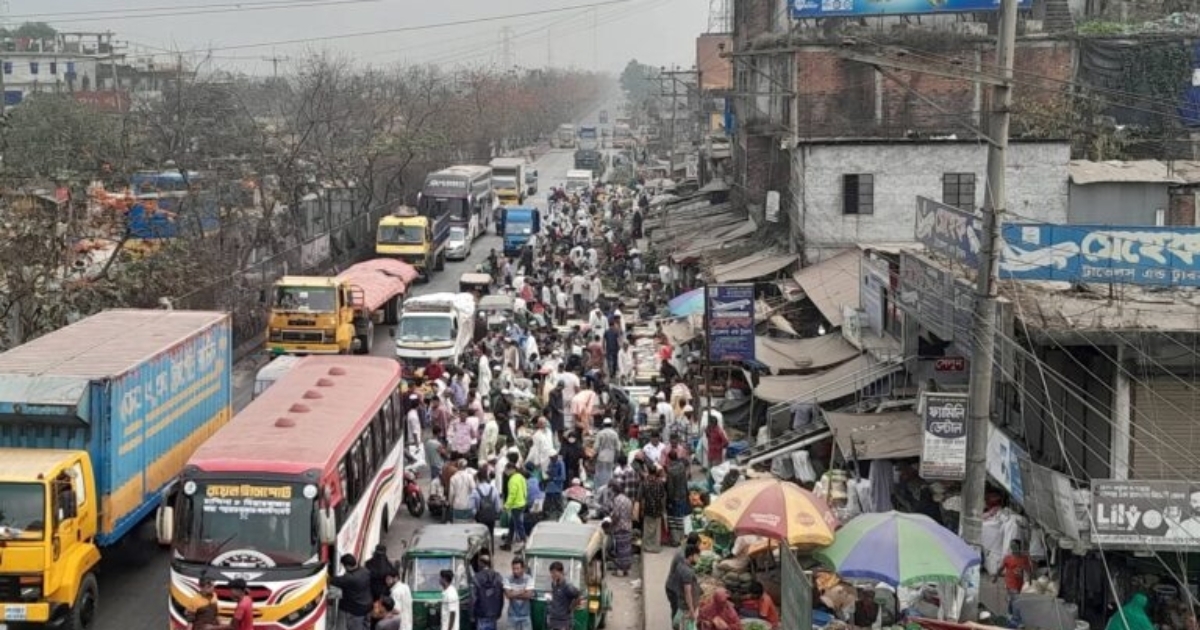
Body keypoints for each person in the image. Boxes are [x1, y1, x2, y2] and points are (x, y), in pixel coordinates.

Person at [331, 554, 374, 630]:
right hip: (368, 605)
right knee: (366, 626)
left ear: (347, 566)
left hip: (356, 610)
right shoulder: (365, 571)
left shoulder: (349, 578)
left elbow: (333, 580)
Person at [666, 545, 701, 627]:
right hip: (686, 607)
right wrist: (691, 610)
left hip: (681, 603)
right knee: (687, 626)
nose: (698, 559)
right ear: (691, 556)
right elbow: (687, 593)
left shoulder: (680, 565)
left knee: (678, 623)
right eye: (697, 556)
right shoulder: (687, 572)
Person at [995, 539, 1033, 612]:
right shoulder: (1008, 558)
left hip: (1019, 582)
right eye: (1012, 545)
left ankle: (1011, 611)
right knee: (1015, 596)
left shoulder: (1024, 558)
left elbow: (1028, 569)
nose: (1013, 547)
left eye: (1015, 545)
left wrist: (1030, 580)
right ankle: (1013, 613)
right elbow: (1001, 568)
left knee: (1015, 598)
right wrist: (996, 577)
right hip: (1010, 582)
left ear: (1019, 547)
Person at [471, 470, 503, 551]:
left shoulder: (475, 491)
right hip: (491, 516)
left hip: (480, 517)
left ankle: (482, 551)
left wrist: (474, 515)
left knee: (480, 535)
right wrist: (496, 513)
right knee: (490, 533)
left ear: (477, 479)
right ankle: (491, 551)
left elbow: (473, 507)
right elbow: (498, 506)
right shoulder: (493, 489)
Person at [472, 555, 505, 630]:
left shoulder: (476, 577)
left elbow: (473, 598)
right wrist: (499, 611)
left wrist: (471, 614)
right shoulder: (498, 576)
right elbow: (501, 596)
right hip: (493, 614)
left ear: (481, 563)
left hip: (481, 614)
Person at [547, 561, 583, 630]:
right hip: (553, 620)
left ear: (561, 572)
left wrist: (572, 607)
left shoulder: (568, 587)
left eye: (554, 572)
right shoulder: (554, 584)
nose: (552, 575)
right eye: (551, 573)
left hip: (564, 622)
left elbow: (578, 595)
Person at [642, 464, 667, 554]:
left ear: (648, 472)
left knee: (648, 528)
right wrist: (663, 509)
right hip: (657, 508)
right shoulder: (659, 482)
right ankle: (656, 547)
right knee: (657, 529)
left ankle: (648, 546)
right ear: (656, 472)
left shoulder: (645, 483)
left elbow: (643, 497)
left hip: (648, 508)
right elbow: (662, 496)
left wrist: (642, 509)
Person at [504, 557, 535, 630]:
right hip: (512, 615)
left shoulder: (529, 579)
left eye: (517, 569)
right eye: (513, 569)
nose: (515, 571)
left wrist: (513, 593)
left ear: (523, 569)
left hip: (525, 616)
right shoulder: (507, 578)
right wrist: (522, 591)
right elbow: (508, 595)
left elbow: (528, 595)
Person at [610, 484, 634, 576]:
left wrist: (611, 524)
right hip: (628, 526)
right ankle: (626, 569)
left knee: (619, 550)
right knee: (627, 549)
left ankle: (620, 570)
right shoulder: (628, 500)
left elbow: (616, 515)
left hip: (620, 527)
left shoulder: (617, 500)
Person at [504, 463, 529, 550]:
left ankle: (525, 543)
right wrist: (525, 499)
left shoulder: (512, 480)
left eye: (506, 469)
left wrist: (507, 505)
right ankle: (508, 543)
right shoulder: (520, 477)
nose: (505, 472)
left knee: (518, 525)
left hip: (516, 505)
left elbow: (512, 494)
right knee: (512, 525)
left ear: (512, 469)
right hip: (522, 503)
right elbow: (525, 489)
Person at [593, 418, 621, 489]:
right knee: (609, 475)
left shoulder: (600, 433)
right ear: (611, 425)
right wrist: (616, 458)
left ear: (604, 425)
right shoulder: (615, 434)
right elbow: (618, 448)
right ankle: (607, 489)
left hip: (601, 458)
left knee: (600, 475)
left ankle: (599, 490)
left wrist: (594, 456)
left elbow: (596, 447)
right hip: (610, 458)